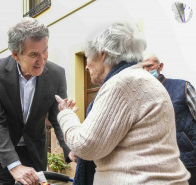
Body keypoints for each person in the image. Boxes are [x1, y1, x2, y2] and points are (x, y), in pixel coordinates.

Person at [55, 22, 190, 184]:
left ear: (102, 53)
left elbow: (85, 145)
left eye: (88, 57)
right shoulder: (139, 79)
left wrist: (66, 115)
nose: (86, 66)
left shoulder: (123, 83)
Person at [0, 17, 76, 185]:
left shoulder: (57, 74)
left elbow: (57, 116)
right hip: (2, 155)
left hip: (35, 154)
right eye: (33, 54)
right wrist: (14, 165)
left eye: (45, 51)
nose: (42, 60)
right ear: (16, 55)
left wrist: (70, 149)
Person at [142, 53, 196, 185]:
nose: (145, 71)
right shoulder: (142, 95)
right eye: (142, 68)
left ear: (160, 67)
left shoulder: (182, 87)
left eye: (149, 66)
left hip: (187, 157)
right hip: (158, 162)